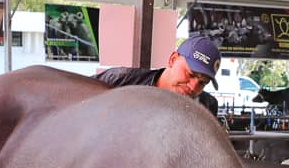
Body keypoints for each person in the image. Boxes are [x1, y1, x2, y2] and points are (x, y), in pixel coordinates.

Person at [93, 35, 221, 116]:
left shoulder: (207, 107)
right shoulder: (121, 80)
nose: (193, 87)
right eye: (191, 74)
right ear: (172, 59)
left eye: (203, 83)